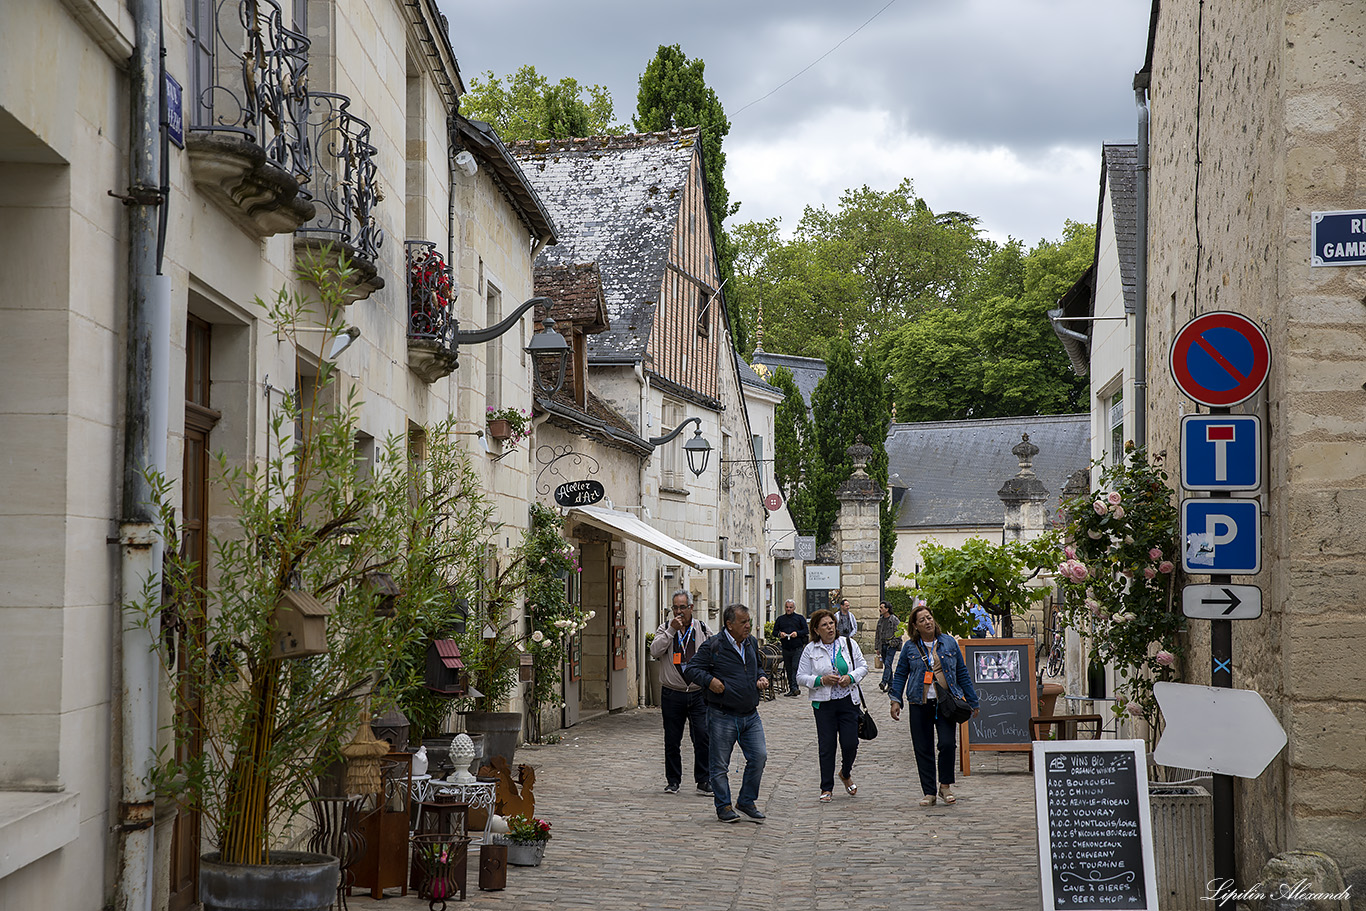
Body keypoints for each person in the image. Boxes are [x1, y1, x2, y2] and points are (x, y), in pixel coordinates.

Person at [683, 604, 770, 823]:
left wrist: (760, 677)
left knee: (759, 757)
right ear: (729, 624)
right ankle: (724, 806)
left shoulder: (750, 642)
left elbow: (757, 666)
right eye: (743, 622)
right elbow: (692, 669)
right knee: (720, 764)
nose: (748, 625)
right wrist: (710, 681)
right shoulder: (714, 645)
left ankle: (746, 801)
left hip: (750, 714)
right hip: (722, 715)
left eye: (749, 621)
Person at [888, 603, 980, 807]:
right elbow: (901, 673)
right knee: (923, 747)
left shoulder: (949, 643)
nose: (927, 622)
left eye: (929, 617)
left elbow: (962, 672)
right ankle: (929, 791)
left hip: (946, 702)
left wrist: (972, 700)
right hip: (919, 702)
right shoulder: (910, 647)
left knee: (947, 744)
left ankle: (945, 785)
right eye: (922, 620)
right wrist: (896, 700)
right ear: (915, 626)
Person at [796, 608, 869, 803]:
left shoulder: (848, 644)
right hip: (824, 704)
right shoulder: (811, 649)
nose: (829, 628)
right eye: (824, 625)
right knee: (827, 746)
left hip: (848, 700)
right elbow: (800, 677)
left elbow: (863, 666)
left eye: (831, 624)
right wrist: (821, 680)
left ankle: (845, 773)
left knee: (850, 743)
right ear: (816, 630)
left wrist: (850, 677)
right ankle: (826, 787)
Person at [649, 589, 713, 795]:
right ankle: (673, 781)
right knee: (672, 739)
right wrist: (671, 632)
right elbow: (654, 651)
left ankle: (703, 780)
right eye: (675, 608)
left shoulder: (702, 628)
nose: (678, 612)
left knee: (702, 737)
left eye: (682, 608)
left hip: (697, 693)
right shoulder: (665, 628)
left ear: (691, 608)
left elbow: (714, 652)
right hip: (672, 693)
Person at [772, 598, 808, 696]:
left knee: (795, 667)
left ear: (794, 608)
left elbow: (805, 630)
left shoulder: (799, 618)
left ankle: (795, 687)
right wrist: (780, 634)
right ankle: (792, 688)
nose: (788, 609)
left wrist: (797, 633)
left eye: (790, 607)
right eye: (787, 607)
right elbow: (774, 632)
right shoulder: (780, 619)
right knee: (788, 668)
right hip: (786, 647)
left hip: (797, 647)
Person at [874, 600, 900, 691]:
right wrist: (877, 647)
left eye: (882, 607)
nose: (880, 609)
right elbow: (877, 634)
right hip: (883, 646)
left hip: (891, 646)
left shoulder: (894, 619)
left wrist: (894, 643)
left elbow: (898, 632)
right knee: (887, 666)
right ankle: (891, 685)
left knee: (888, 663)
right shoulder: (880, 620)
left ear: (887, 609)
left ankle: (884, 682)